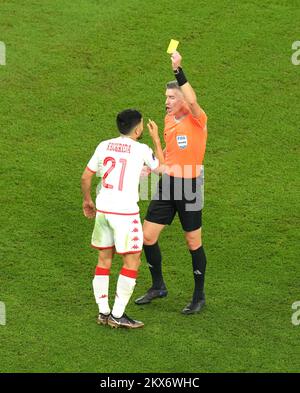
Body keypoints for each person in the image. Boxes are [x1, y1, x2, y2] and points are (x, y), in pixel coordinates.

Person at [135, 51, 208, 314]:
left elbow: (193, 98)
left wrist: (178, 70)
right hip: (168, 185)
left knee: (192, 241)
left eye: (171, 97)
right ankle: (158, 286)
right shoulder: (168, 120)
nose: (166, 102)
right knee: (147, 236)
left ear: (183, 101)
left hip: (190, 187)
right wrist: (152, 165)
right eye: (166, 97)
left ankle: (199, 296)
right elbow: (169, 156)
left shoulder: (198, 119)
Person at [81, 109, 164, 328]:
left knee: (103, 260)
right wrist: (156, 139)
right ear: (138, 129)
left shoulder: (104, 145)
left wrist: (88, 201)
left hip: (104, 211)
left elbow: (86, 176)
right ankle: (118, 315)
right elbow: (162, 169)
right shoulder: (141, 149)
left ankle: (103, 312)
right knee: (132, 260)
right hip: (125, 214)